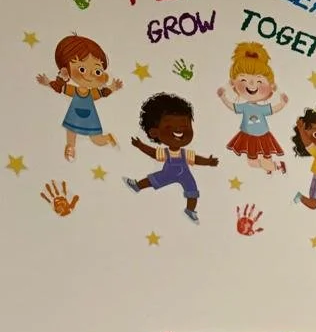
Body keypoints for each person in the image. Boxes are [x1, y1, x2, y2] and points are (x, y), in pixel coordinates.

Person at [124, 93, 218, 222]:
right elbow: (153, 153)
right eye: (171, 127)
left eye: (185, 126)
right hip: (168, 173)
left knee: (192, 191)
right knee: (153, 180)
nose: (179, 129)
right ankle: (137, 186)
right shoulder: (166, 153)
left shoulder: (185, 154)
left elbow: (195, 159)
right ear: (154, 133)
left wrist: (208, 161)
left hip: (185, 175)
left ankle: (190, 210)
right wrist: (140, 146)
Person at [36, 34, 122, 160]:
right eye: (81, 69)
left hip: (90, 119)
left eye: (97, 71)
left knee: (96, 140)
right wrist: (49, 82)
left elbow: (103, 93)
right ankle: (70, 147)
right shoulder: (74, 90)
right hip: (74, 116)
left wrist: (113, 87)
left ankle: (108, 138)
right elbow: (60, 88)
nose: (90, 76)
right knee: (71, 132)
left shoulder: (92, 93)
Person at [217, 42, 287, 173]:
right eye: (243, 80)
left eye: (259, 81)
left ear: (270, 87)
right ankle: (274, 166)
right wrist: (223, 97)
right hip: (248, 136)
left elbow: (273, 109)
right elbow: (232, 107)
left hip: (263, 135)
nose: (251, 84)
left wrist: (282, 103)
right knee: (252, 162)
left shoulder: (261, 109)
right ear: (234, 83)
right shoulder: (244, 106)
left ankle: (274, 166)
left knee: (259, 160)